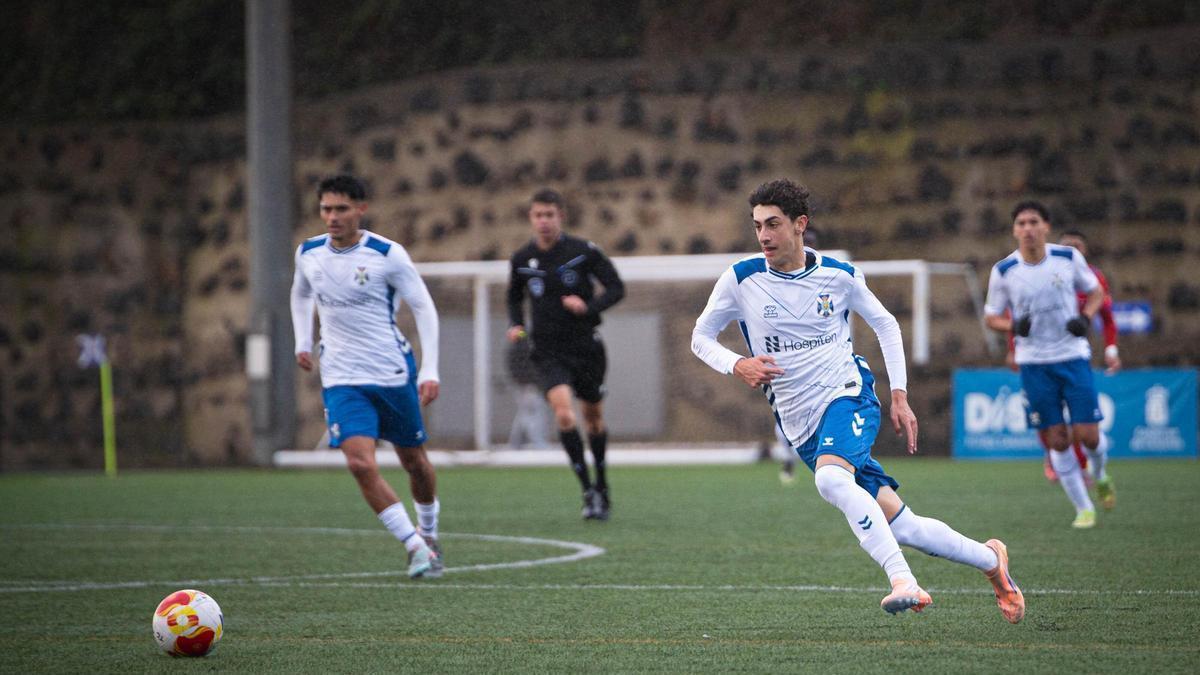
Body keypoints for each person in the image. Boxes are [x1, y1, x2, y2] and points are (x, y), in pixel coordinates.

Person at [692, 178, 1024, 622]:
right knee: (904, 525)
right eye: (757, 226)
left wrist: (899, 396)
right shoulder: (741, 279)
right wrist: (738, 364)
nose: (764, 236)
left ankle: (903, 580)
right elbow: (700, 337)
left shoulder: (840, 276)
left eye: (773, 224)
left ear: (800, 225)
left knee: (830, 482)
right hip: (801, 426)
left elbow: (886, 325)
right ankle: (991, 561)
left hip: (848, 395)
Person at [291, 174, 444, 578]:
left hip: (392, 372)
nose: (332, 217)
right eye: (326, 208)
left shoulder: (387, 254)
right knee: (360, 464)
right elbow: (302, 292)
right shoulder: (308, 253)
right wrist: (302, 339)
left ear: (361, 209)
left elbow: (424, 307)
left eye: (341, 208)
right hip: (341, 376)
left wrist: (429, 369)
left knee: (414, 462)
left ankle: (429, 533)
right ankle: (415, 547)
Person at [984, 201, 1107, 529]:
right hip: (1034, 363)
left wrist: (1085, 317)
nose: (1027, 228)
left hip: (1072, 355)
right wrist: (1011, 327)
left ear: (1046, 226)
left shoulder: (1067, 259)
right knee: (1057, 439)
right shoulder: (1004, 271)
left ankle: (1100, 472)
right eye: (1021, 223)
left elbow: (1097, 293)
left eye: (1033, 222)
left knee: (1088, 435)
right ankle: (1084, 509)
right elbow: (991, 317)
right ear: (1014, 230)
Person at [506, 188, 626, 520]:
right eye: (537, 215)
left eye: (549, 214)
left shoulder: (583, 252)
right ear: (531, 218)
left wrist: (588, 307)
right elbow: (514, 297)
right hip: (546, 351)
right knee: (564, 415)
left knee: (593, 420)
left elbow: (617, 287)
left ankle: (602, 485)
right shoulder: (521, 260)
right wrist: (516, 323)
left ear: (561, 216)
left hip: (586, 348)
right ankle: (587, 491)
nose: (543, 221)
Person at [506, 336, 551, 449]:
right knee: (533, 413)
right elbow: (528, 369)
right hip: (529, 386)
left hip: (523, 385)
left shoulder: (515, 348)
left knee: (524, 413)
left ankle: (515, 443)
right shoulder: (527, 348)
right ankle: (538, 442)